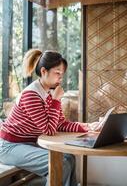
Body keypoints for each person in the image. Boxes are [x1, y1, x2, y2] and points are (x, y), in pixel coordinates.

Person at [0, 49, 94, 186]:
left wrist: (87, 127)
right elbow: (49, 130)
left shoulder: (48, 93)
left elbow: (60, 124)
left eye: (62, 74)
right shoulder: (31, 95)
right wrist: (56, 100)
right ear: (44, 71)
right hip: (10, 146)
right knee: (62, 162)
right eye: (57, 73)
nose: (60, 78)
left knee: (69, 157)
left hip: (28, 143)